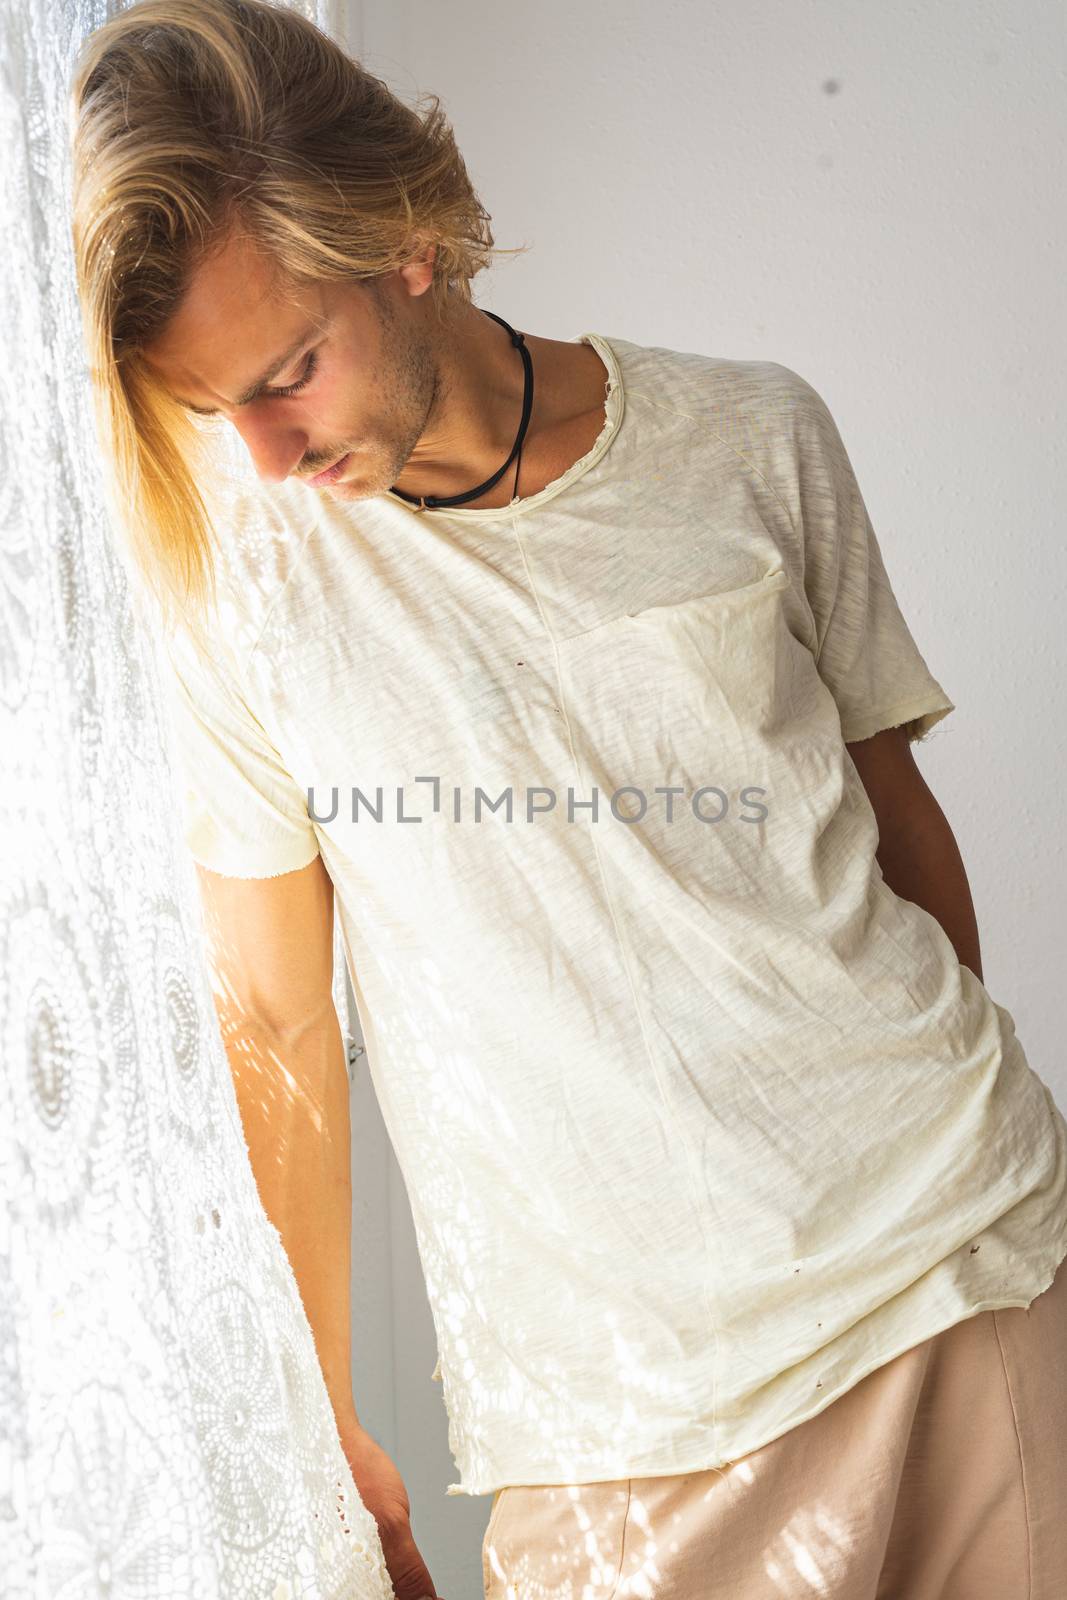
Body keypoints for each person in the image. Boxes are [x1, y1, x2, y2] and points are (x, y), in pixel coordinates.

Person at [69, 2, 1067, 1595]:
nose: (264, 455)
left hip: (964, 1268)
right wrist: (319, 1410)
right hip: (614, 1421)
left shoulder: (754, 435)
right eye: (216, 412)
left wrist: (928, 1159)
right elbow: (274, 1020)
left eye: (290, 374)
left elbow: (898, 830)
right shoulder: (242, 593)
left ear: (405, 238)